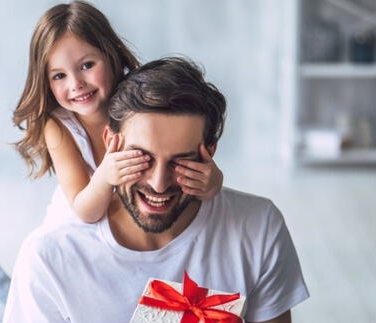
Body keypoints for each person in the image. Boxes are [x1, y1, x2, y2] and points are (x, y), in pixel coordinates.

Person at [0, 57, 310, 323]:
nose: (159, 184)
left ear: (209, 153)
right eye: (141, 157)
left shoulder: (258, 226)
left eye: (181, 162)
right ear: (111, 143)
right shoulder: (51, 254)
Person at [14, 1, 222, 229]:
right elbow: (85, 212)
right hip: (83, 225)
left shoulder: (139, 103)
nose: (76, 84)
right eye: (59, 76)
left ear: (111, 55)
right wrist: (105, 175)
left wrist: (213, 182)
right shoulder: (59, 126)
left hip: (136, 221)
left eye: (87, 65)